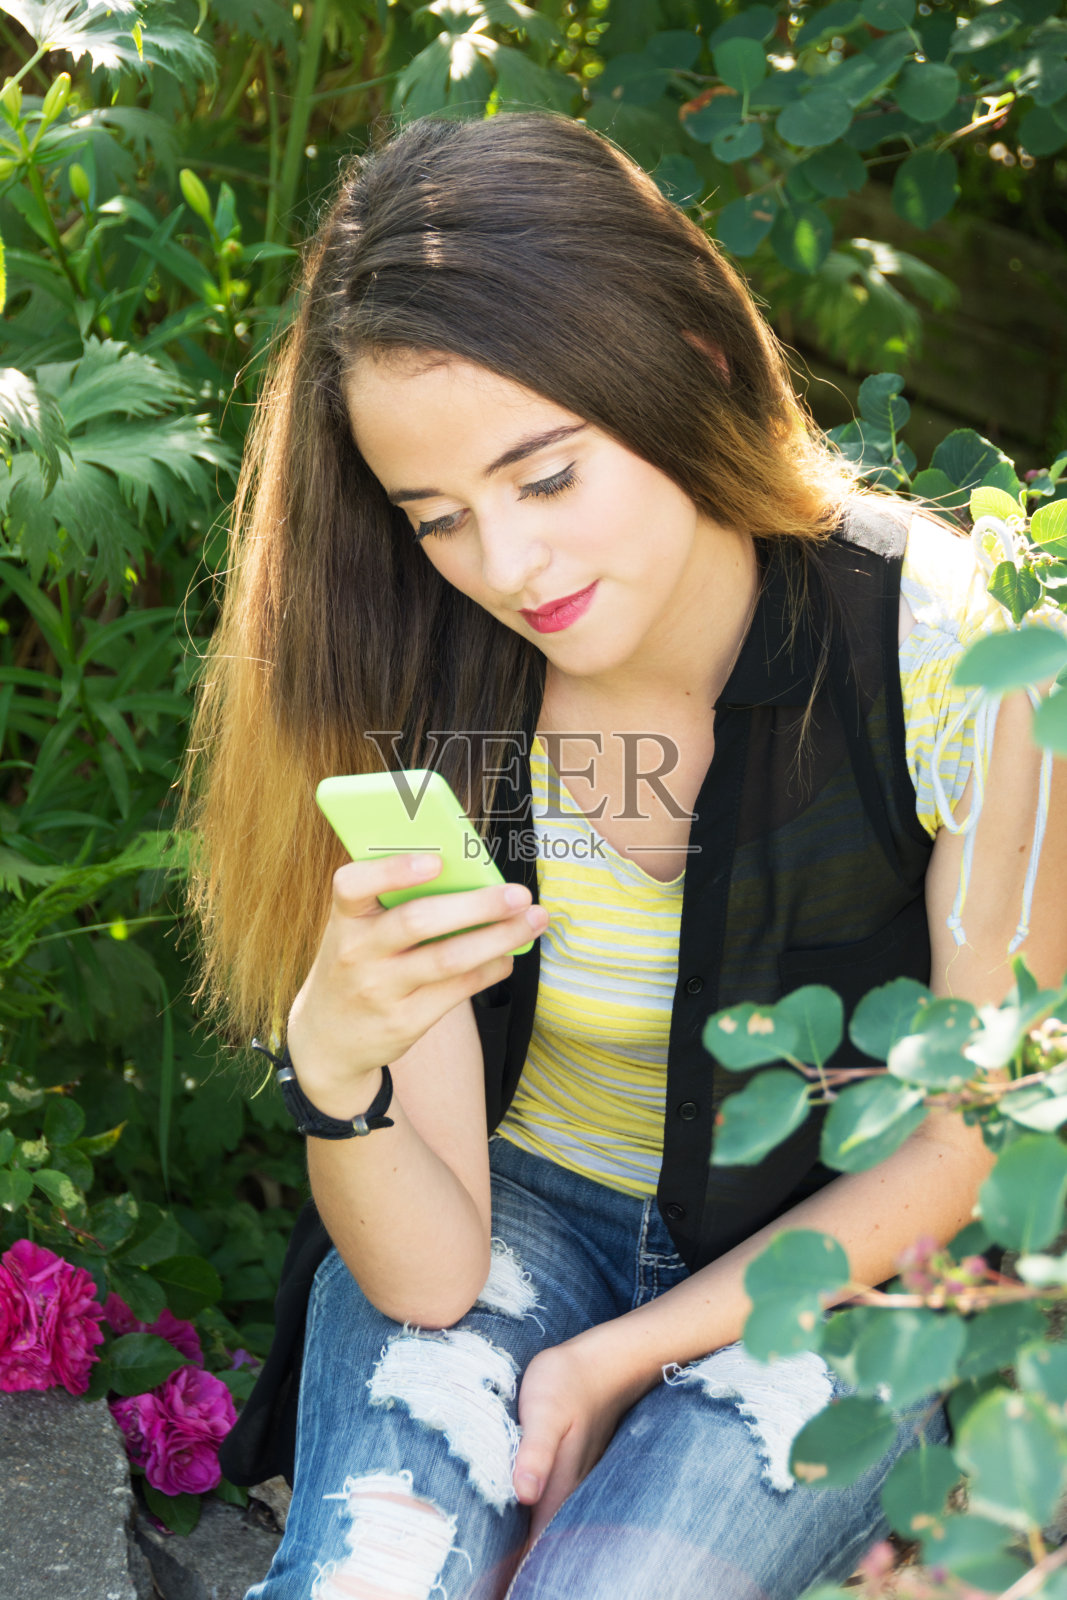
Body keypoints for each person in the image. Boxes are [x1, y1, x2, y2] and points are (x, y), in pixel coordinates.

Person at [184, 111, 1067, 1600]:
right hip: (519, 1209)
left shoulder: (953, 645)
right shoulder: (416, 677)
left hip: (841, 1265)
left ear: (689, 364)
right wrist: (335, 1067)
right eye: (440, 518)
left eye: (546, 478)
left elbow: (969, 1139)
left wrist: (623, 1358)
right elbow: (432, 1277)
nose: (507, 568)